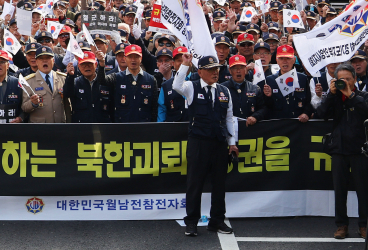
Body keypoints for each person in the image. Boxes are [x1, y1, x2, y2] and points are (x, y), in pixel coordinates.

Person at [172, 53, 237, 236]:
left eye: (216, 69)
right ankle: (192, 222)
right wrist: (185, 64)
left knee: (219, 184)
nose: (215, 72)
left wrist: (232, 143)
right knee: (195, 184)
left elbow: (229, 118)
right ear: (200, 72)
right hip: (198, 143)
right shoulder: (191, 87)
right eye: (210, 70)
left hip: (219, 143)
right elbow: (176, 85)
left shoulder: (224, 91)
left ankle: (216, 221)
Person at [316, 63, 368, 240]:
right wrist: (331, 95)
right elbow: (320, 114)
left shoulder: (364, 95)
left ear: (355, 80)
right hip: (339, 150)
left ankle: (364, 225)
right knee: (339, 190)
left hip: (360, 150)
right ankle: (341, 225)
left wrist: (350, 95)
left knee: (363, 190)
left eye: (348, 79)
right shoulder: (333, 97)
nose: (345, 82)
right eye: (341, 80)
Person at [97, 45, 158, 122]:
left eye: (136, 57)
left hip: (144, 127)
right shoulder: (117, 77)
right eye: (130, 57)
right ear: (125, 59)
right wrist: (102, 64)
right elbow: (102, 80)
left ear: (141, 58)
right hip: (122, 126)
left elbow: (154, 108)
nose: (133, 60)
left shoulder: (151, 80)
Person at [262, 45, 313, 121]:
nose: (285, 61)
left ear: (294, 59)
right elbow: (266, 107)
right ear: (277, 60)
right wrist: (268, 97)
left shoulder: (302, 78)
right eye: (281, 58)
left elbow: (308, 102)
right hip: (278, 125)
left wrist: (306, 113)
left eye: (288, 58)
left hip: (298, 124)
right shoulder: (270, 80)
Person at [21, 46, 71, 123]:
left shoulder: (62, 78)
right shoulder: (28, 81)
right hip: (40, 128)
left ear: (53, 60)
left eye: (48, 58)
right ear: (36, 62)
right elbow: (24, 107)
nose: (45, 61)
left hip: (61, 125)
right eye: (41, 59)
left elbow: (68, 104)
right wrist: (32, 103)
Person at [63, 50, 111, 123]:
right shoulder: (75, 82)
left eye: (90, 64)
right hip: (81, 126)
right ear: (78, 66)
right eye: (83, 64)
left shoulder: (105, 81)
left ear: (96, 64)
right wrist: (70, 76)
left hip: (102, 124)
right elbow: (67, 94)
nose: (87, 67)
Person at [222, 54, 264, 126]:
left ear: (245, 69)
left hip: (250, 129)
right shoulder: (222, 88)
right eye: (235, 68)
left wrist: (255, 116)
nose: (238, 71)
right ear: (230, 70)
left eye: (241, 67)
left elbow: (263, 108)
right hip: (229, 130)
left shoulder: (255, 88)